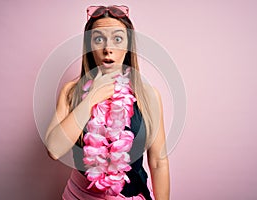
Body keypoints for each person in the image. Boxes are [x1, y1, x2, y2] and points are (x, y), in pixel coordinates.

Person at [45, 5, 170, 200]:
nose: (107, 49)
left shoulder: (148, 95)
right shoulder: (71, 92)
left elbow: (158, 163)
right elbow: (53, 149)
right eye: (98, 39)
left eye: (117, 39)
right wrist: (93, 97)